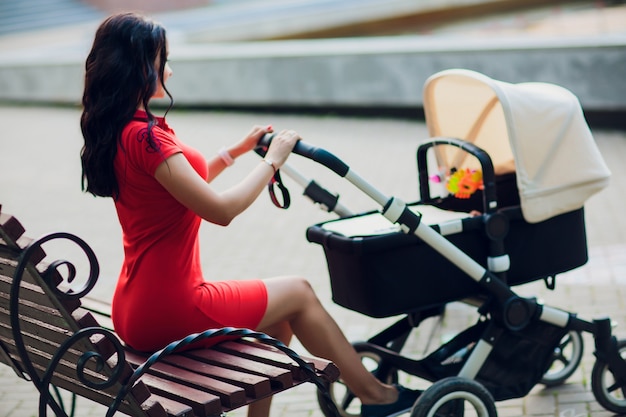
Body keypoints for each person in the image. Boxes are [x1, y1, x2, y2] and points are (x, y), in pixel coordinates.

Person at [80, 12, 419, 417]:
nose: (169, 67)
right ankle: (377, 398)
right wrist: (272, 162)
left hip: (132, 307)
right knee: (299, 293)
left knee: (279, 321)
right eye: (161, 57)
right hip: (172, 307)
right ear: (139, 67)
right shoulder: (148, 137)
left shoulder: (119, 130)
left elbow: (179, 184)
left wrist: (236, 153)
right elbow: (220, 211)